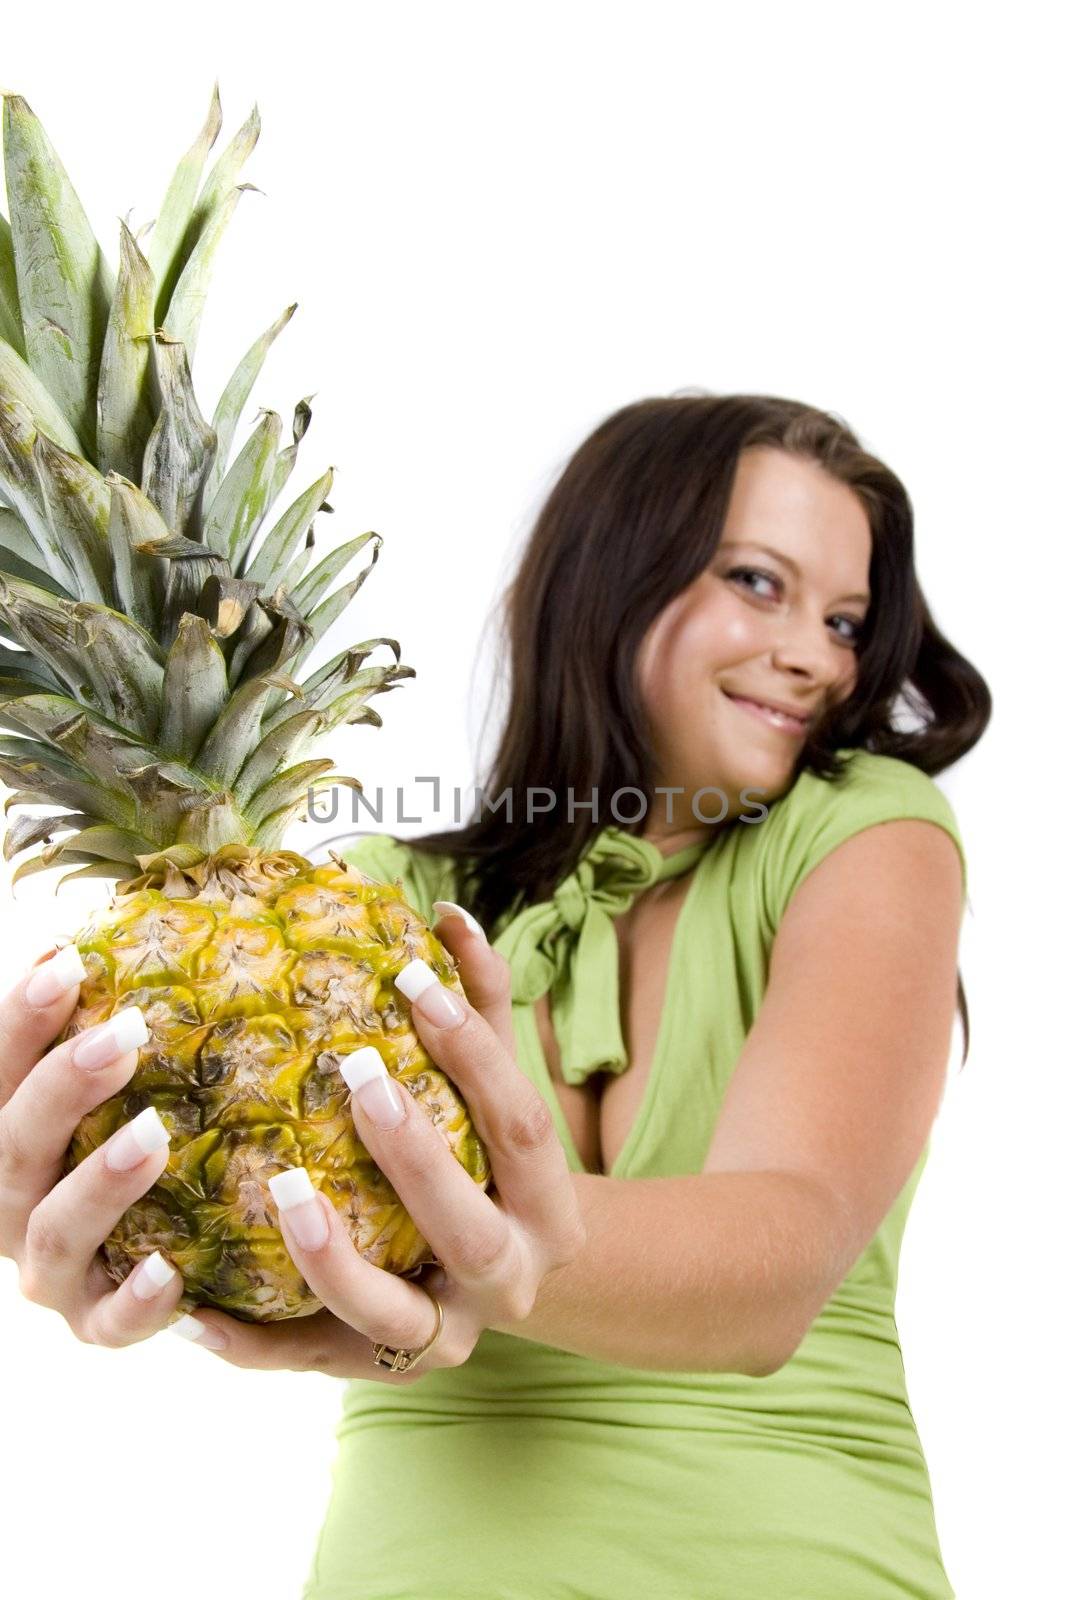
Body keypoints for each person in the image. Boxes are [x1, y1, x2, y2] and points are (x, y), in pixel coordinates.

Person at [0, 392, 990, 1599]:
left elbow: (783, 1260)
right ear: (614, 570)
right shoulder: (373, 908)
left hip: (795, 1558)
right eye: (756, 581)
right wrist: (103, 1227)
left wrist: (496, 1257)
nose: (816, 654)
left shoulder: (871, 833)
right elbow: (287, 1259)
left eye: (845, 618)